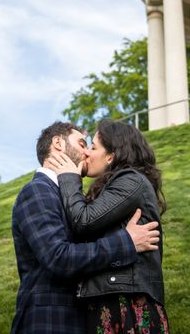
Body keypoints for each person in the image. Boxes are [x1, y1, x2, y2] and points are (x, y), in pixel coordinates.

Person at [11, 121, 160, 334]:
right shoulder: (37, 191)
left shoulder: (68, 196)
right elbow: (58, 258)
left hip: (80, 318)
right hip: (50, 321)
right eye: (82, 143)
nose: (87, 152)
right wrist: (126, 242)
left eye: (91, 146)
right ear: (58, 143)